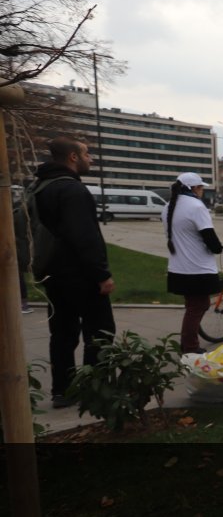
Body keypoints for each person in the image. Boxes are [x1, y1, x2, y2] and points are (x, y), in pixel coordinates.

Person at [30, 136, 116, 408]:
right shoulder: (73, 191)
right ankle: (96, 388)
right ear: (73, 157)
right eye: (87, 154)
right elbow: (85, 237)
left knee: (63, 334)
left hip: (52, 274)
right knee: (101, 333)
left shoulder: (39, 187)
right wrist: (102, 274)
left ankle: (62, 390)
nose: (90, 158)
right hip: (81, 276)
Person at [162, 173, 223, 355]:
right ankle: (190, 347)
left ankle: (187, 343)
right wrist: (219, 248)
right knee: (198, 307)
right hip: (197, 268)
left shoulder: (167, 207)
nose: (202, 191)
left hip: (178, 268)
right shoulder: (196, 206)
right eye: (201, 188)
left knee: (192, 306)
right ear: (193, 188)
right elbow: (210, 239)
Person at [11, 189, 33, 314]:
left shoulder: (15, 213)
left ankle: (23, 303)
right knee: (17, 275)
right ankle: (23, 303)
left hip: (16, 248)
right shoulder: (19, 211)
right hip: (19, 248)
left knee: (17, 275)